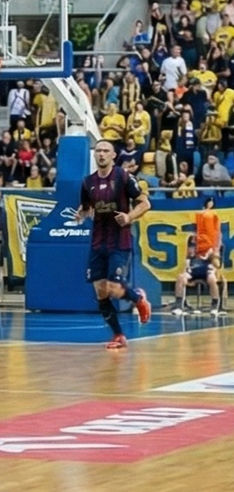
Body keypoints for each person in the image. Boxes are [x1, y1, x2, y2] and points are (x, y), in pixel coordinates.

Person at [74, 138, 152, 350]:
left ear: (113, 155)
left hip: (119, 240)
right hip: (98, 241)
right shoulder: (87, 182)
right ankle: (119, 335)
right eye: (98, 150)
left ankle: (138, 299)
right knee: (100, 291)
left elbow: (145, 203)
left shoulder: (123, 176)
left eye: (105, 151)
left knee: (114, 287)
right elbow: (87, 206)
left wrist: (129, 217)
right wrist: (81, 214)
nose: (101, 154)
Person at [174, 197, 224, 315]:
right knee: (181, 278)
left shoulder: (214, 243)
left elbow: (216, 263)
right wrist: (187, 265)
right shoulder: (192, 240)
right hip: (194, 268)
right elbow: (187, 257)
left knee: (212, 279)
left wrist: (212, 255)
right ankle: (179, 306)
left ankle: (214, 306)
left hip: (207, 269)